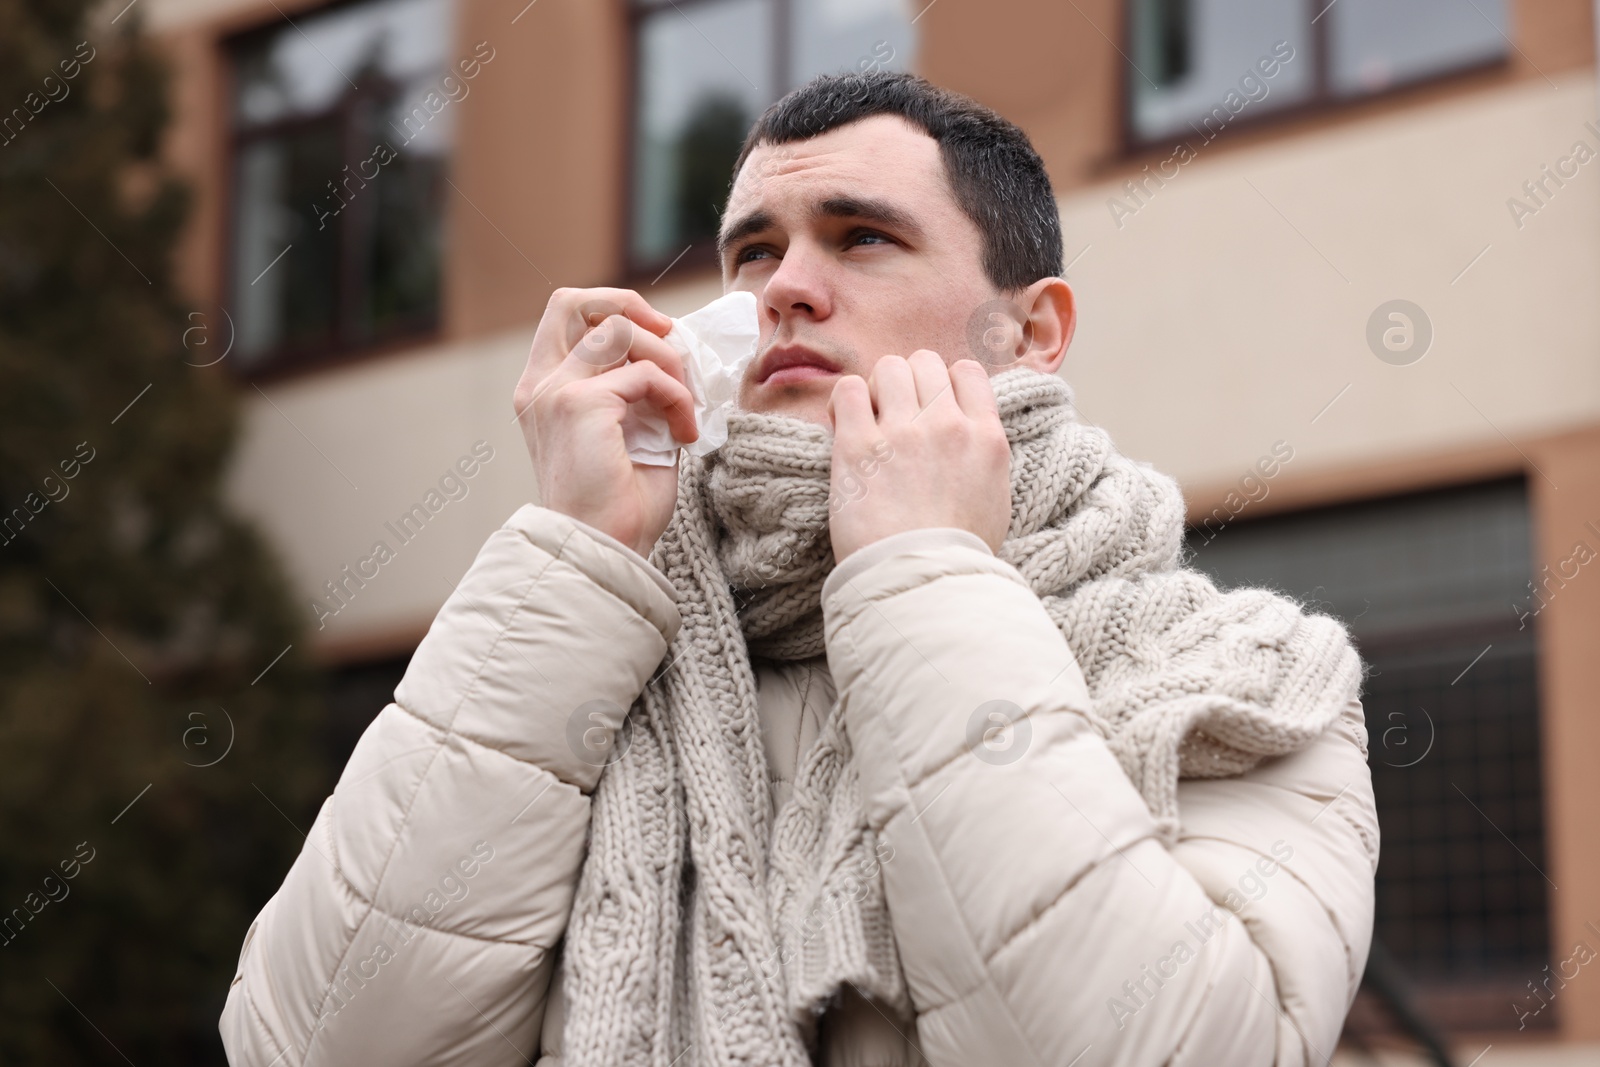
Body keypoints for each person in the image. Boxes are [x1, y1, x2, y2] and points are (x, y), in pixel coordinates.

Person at [220, 71, 1377, 1067]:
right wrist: (575, 552)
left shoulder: (1228, 673)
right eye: (753, 252)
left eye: (861, 236)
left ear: (1028, 333)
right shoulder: (600, 633)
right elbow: (316, 1041)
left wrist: (924, 575)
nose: (780, 288)